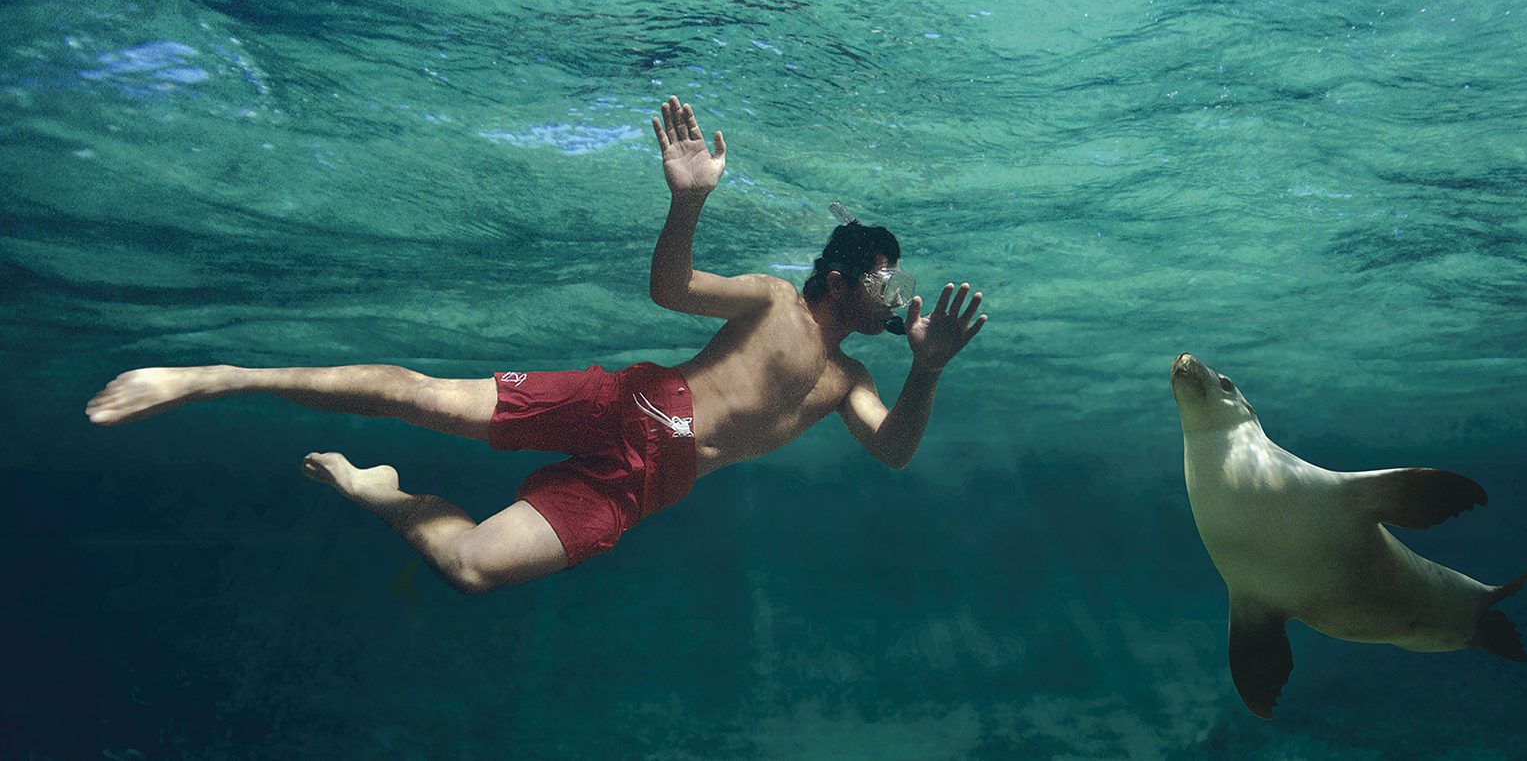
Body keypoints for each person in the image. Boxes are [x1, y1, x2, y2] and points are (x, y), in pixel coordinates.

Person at [83, 96, 988, 593]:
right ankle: (215, 376)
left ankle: (381, 491)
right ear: (839, 275)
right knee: (419, 396)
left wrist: (928, 367)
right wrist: (688, 202)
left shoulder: (852, 378)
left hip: (648, 485)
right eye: (888, 277)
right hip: (629, 402)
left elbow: (898, 450)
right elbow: (669, 289)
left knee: (473, 567)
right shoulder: (771, 301)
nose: (900, 294)